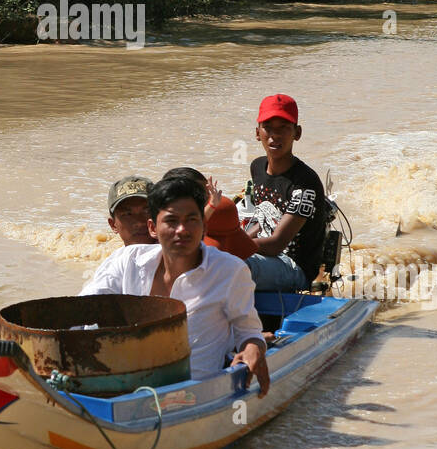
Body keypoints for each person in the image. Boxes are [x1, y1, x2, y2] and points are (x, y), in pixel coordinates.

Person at [81, 174, 269, 391]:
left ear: (204, 225)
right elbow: (82, 310)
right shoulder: (126, 261)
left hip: (194, 393)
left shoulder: (230, 271)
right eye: (171, 221)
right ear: (153, 228)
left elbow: (248, 330)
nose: (182, 230)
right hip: (128, 387)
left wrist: (254, 346)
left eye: (191, 220)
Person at [244, 93, 325, 293]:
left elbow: (276, 244)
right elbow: (262, 220)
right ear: (257, 132)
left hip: (295, 268)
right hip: (267, 258)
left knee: (235, 266)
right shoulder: (257, 167)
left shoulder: (306, 183)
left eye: (283, 128)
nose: (275, 135)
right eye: (268, 128)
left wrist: (232, 246)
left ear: (297, 133)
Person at [160, 166, 257, 260]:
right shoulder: (218, 206)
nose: (208, 198)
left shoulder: (220, 207)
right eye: (202, 195)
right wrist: (212, 205)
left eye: (207, 194)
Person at [106, 174, 155, 246]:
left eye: (147, 212)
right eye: (127, 214)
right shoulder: (116, 257)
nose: (139, 223)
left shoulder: (174, 253)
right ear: (113, 225)